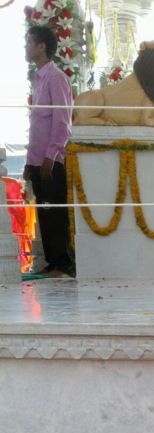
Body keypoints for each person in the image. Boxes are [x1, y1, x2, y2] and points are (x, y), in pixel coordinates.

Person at [23, 25, 74, 277]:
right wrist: (29, 162)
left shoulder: (56, 78)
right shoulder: (38, 79)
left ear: (41, 46)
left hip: (50, 160)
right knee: (43, 211)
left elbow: (62, 122)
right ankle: (53, 262)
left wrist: (50, 156)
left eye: (29, 42)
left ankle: (63, 264)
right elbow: (37, 125)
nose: (25, 47)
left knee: (54, 211)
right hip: (37, 159)